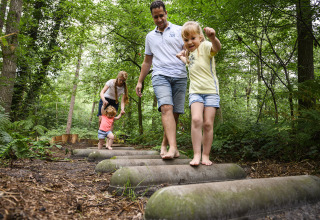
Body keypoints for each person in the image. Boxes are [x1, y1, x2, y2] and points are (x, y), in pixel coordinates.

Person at [135, 0, 188, 159]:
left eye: (161, 15)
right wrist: (140, 81)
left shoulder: (180, 30)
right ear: (152, 17)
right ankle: (173, 148)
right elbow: (147, 61)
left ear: (166, 13)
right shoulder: (150, 37)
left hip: (179, 76)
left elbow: (190, 47)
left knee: (175, 114)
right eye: (155, 17)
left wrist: (186, 51)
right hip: (160, 75)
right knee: (166, 109)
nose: (159, 19)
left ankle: (165, 145)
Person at [176, 21, 222, 166]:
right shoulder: (189, 53)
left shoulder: (206, 46)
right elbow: (190, 64)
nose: (190, 42)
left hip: (211, 92)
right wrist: (181, 57)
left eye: (193, 38)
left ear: (200, 37)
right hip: (195, 92)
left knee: (208, 124)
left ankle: (205, 156)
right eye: (186, 39)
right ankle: (196, 155)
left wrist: (213, 38)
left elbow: (217, 48)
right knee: (196, 120)